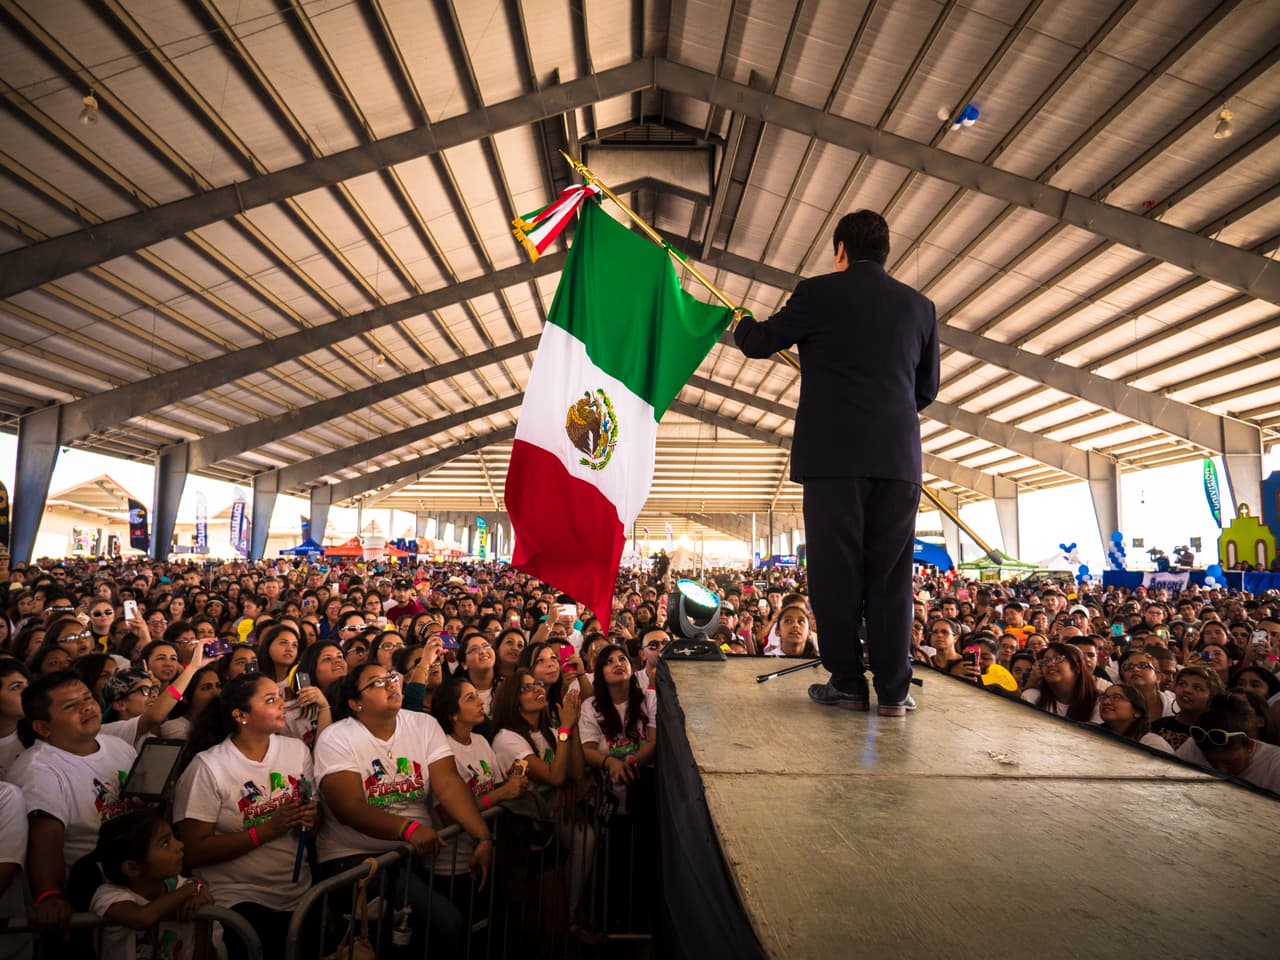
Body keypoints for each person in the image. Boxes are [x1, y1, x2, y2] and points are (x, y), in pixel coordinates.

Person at [735, 209, 938, 716]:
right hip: (897, 459)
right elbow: (926, 389)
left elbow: (760, 343)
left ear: (840, 250)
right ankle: (894, 691)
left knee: (837, 570)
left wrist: (738, 321)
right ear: (886, 253)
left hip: (833, 460)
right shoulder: (920, 307)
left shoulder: (818, 293)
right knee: (891, 575)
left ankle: (847, 682)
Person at [312, 663, 493, 954]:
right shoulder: (337, 737)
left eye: (390, 677)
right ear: (355, 703)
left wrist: (482, 836)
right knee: (446, 922)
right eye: (376, 683)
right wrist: (407, 829)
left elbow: (448, 782)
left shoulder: (422, 725)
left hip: (408, 856)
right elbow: (348, 806)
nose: (391, 684)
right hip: (355, 861)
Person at [174, 673, 318, 960]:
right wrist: (267, 829)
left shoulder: (296, 751)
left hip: (299, 894)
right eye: (269, 700)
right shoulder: (209, 767)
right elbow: (193, 851)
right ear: (240, 715)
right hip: (237, 899)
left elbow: (313, 824)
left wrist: (311, 818)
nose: (282, 705)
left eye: (278, 697)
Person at [8, 670, 137, 930]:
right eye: (71, 705)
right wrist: (50, 897)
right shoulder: (38, 769)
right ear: (43, 727)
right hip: (88, 899)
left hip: (137, 881)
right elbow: (46, 839)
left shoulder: (118, 747)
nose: (87, 707)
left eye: (87, 697)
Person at [83, 808, 214, 960]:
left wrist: (202, 913)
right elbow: (142, 917)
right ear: (133, 867)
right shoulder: (108, 896)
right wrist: (193, 888)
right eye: (165, 843)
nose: (180, 845)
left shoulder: (181, 886)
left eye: (173, 837)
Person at [1096, 684, 1173, 753]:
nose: (1106, 702)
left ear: (1137, 712)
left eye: (1116, 697)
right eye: (1103, 697)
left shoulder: (1153, 744)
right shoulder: (1094, 735)